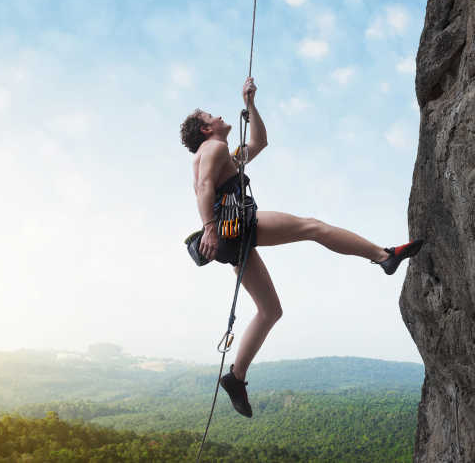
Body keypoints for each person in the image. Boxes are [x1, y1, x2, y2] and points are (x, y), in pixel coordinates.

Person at [180, 77, 425, 418]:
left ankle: (236, 377)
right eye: (212, 116)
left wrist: (251, 105)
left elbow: (260, 143)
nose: (219, 117)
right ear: (206, 130)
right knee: (313, 227)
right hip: (230, 228)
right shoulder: (215, 149)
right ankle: (384, 256)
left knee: (270, 311)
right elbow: (205, 186)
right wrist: (209, 229)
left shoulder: (221, 155)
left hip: (230, 237)